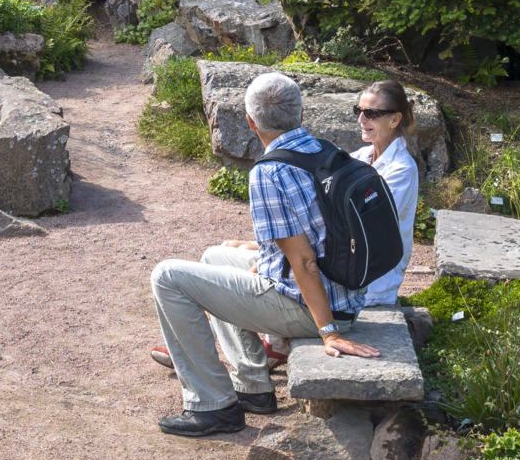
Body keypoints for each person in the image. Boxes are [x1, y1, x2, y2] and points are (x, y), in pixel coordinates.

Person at [145, 72, 380, 436]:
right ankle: (252, 386)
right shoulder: (326, 149)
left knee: (167, 276)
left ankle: (213, 406)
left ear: (250, 122)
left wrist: (329, 332)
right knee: (213, 258)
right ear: (301, 116)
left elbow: (303, 262)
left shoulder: (269, 173)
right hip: (345, 292)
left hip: (314, 308)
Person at [352, 81, 420, 308]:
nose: (361, 119)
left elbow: (367, 222)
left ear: (394, 120)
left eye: (370, 113)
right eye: (358, 111)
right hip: (350, 265)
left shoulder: (402, 169)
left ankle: (273, 343)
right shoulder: (362, 155)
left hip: (372, 282)